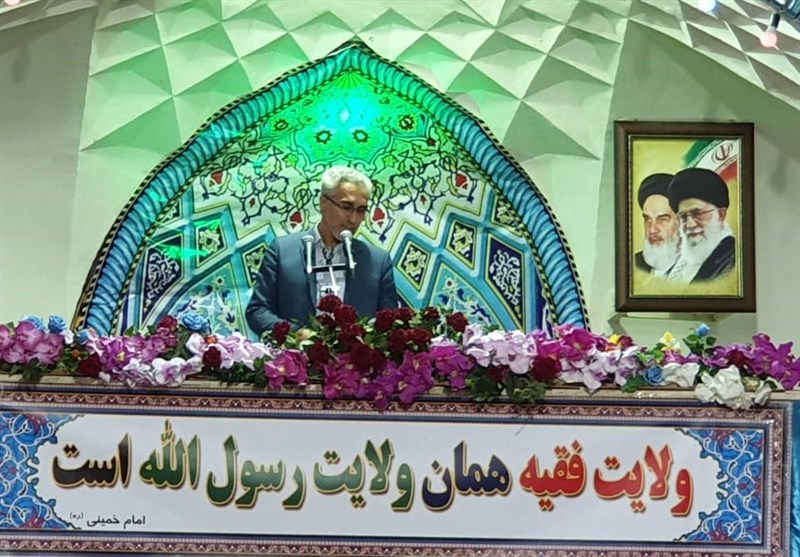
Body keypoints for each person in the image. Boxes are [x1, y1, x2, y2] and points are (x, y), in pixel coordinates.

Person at [246, 166, 399, 338]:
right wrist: (295, 334)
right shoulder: (282, 251)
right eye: (346, 206)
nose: (353, 219)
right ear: (323, 203)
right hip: (295, 354)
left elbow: (390, 323)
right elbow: (257, 311)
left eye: (361, 210)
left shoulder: (378, 262)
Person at [666, 167, 735, 283]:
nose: (690, 224)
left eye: (698, 213)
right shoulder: (680, 262)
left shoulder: (733, 259)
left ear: (721, 215)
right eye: (683, 216)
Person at [634, 173, 680, 278]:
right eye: (648, 219)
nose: (652, 230)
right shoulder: (634, 264)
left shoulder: (706, 269)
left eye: (662, 219)